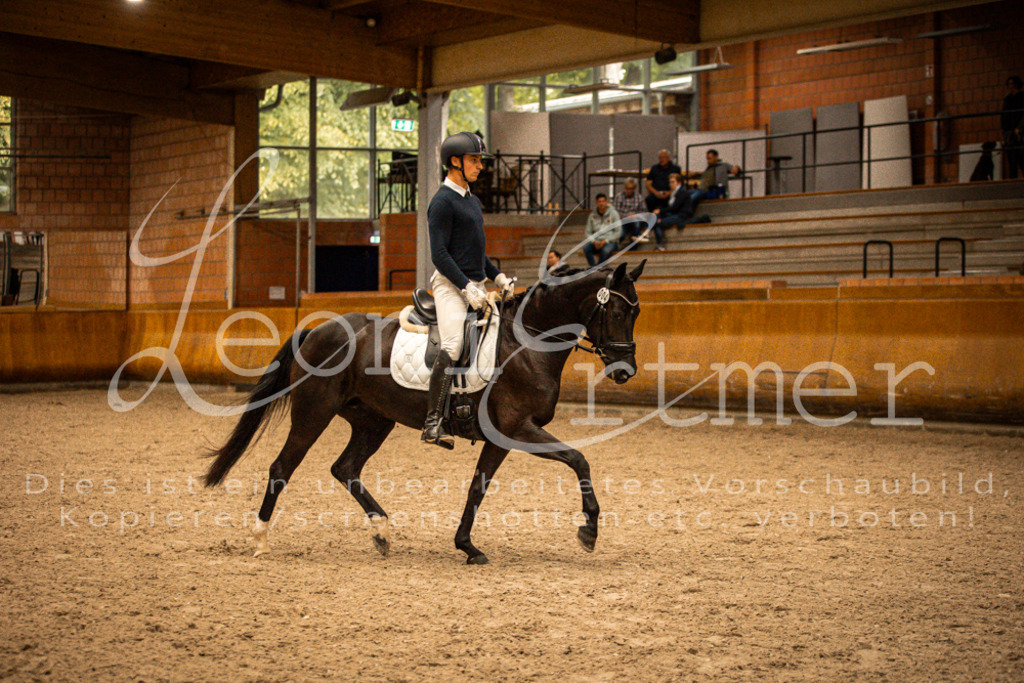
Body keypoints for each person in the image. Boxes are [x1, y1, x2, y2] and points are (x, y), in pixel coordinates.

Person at [422, 131, 515, 449]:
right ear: (454, 162)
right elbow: (440, 256)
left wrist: (498, 277)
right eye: (474, 160)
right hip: (449, 286)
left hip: (476, 285)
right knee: (453, 342)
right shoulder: (441, 202)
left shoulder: (472, 201)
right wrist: (464, 287)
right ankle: (432, 422)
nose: (480, 166)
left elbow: (476, 254)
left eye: (479, 160)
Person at [651, 173, 711, 251]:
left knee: (657, 224)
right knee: (656, 217)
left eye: (673, 182)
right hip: (677, 214)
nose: (670, 184)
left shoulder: (681, 193)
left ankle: (660, 244)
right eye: (670, 182)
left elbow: (675, 207)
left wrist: (660, 211)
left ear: (679, 182)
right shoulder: (675, 193)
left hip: (681, 216)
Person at [583, 193, 620, 266]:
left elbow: (618, 232)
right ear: (596, 203)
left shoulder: (614, 214)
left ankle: (598, 269)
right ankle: (593, 267)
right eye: (599, 201)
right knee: (586, 248)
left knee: (605, 251)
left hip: (610, 241)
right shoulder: (592, 215)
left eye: (603, 201)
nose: (601, 203)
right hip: (596, 241)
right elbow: (587, 232)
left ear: (606, 202)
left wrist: (605, 241)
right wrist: (594, 241)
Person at [613, 178, 648, 245]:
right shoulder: (619, 196)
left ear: (634, 188)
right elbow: (615, 212)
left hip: (635, 220)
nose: (629, 190)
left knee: (637, 222)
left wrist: (635, 215)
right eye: (627, 188)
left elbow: (643, 211)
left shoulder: (639, 197)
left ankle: (634, 239)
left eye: (631, 188)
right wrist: (626, 216)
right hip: (622, 220)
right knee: (621, 235)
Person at [1002, 76, 1024, 179]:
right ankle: (1013, 180)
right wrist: (1005, 131)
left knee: (1021, 157)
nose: (1010, 86)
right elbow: (1004, 115)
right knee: (1011, 159)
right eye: (1009, 84)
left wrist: (1019, 128)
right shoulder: (1007, 99)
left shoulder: (1022, 97)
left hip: (1019, 132)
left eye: (1012, 84)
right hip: (1009, 131)